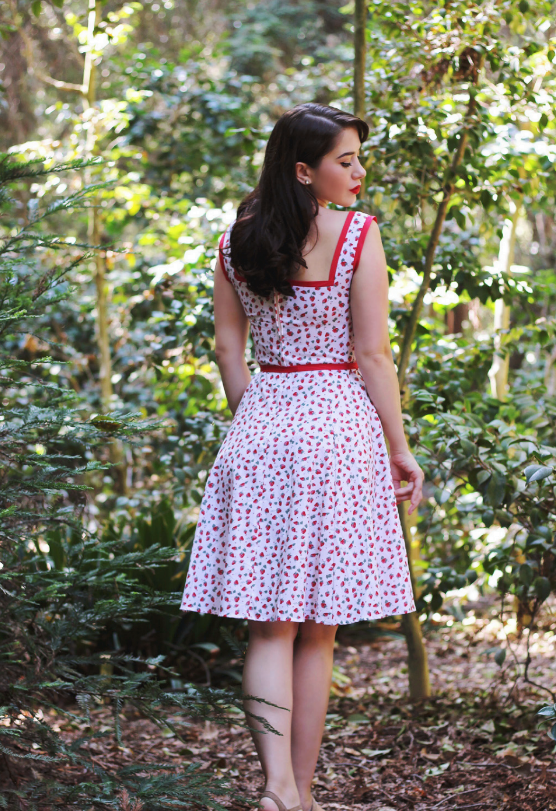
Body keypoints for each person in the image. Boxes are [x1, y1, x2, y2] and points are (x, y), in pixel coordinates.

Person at [181, 102, 424, 811]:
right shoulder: (358, 235)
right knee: (318, 631)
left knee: (269, 626)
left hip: (261, 425)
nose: (359, 171)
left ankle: (280, 789)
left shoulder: (236, 242)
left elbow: (228, 352)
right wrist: (400, 449)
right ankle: (302, 793)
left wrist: (256, 423)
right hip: (339, 432)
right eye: (345, 160)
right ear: (302, 170)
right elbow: (372, 354)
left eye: (358, 158)